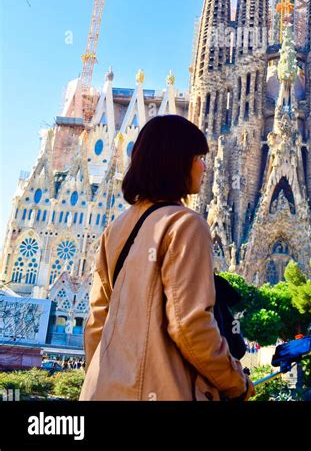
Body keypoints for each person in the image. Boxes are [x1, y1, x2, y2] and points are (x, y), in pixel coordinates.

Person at [79, 115, 256, 402]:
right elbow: (190, 326)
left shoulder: (115, 231)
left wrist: (105, 379)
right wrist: (236, 381)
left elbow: (97, 324)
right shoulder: (185, 225)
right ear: (176, 162)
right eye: (198, 157)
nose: (204, 166)